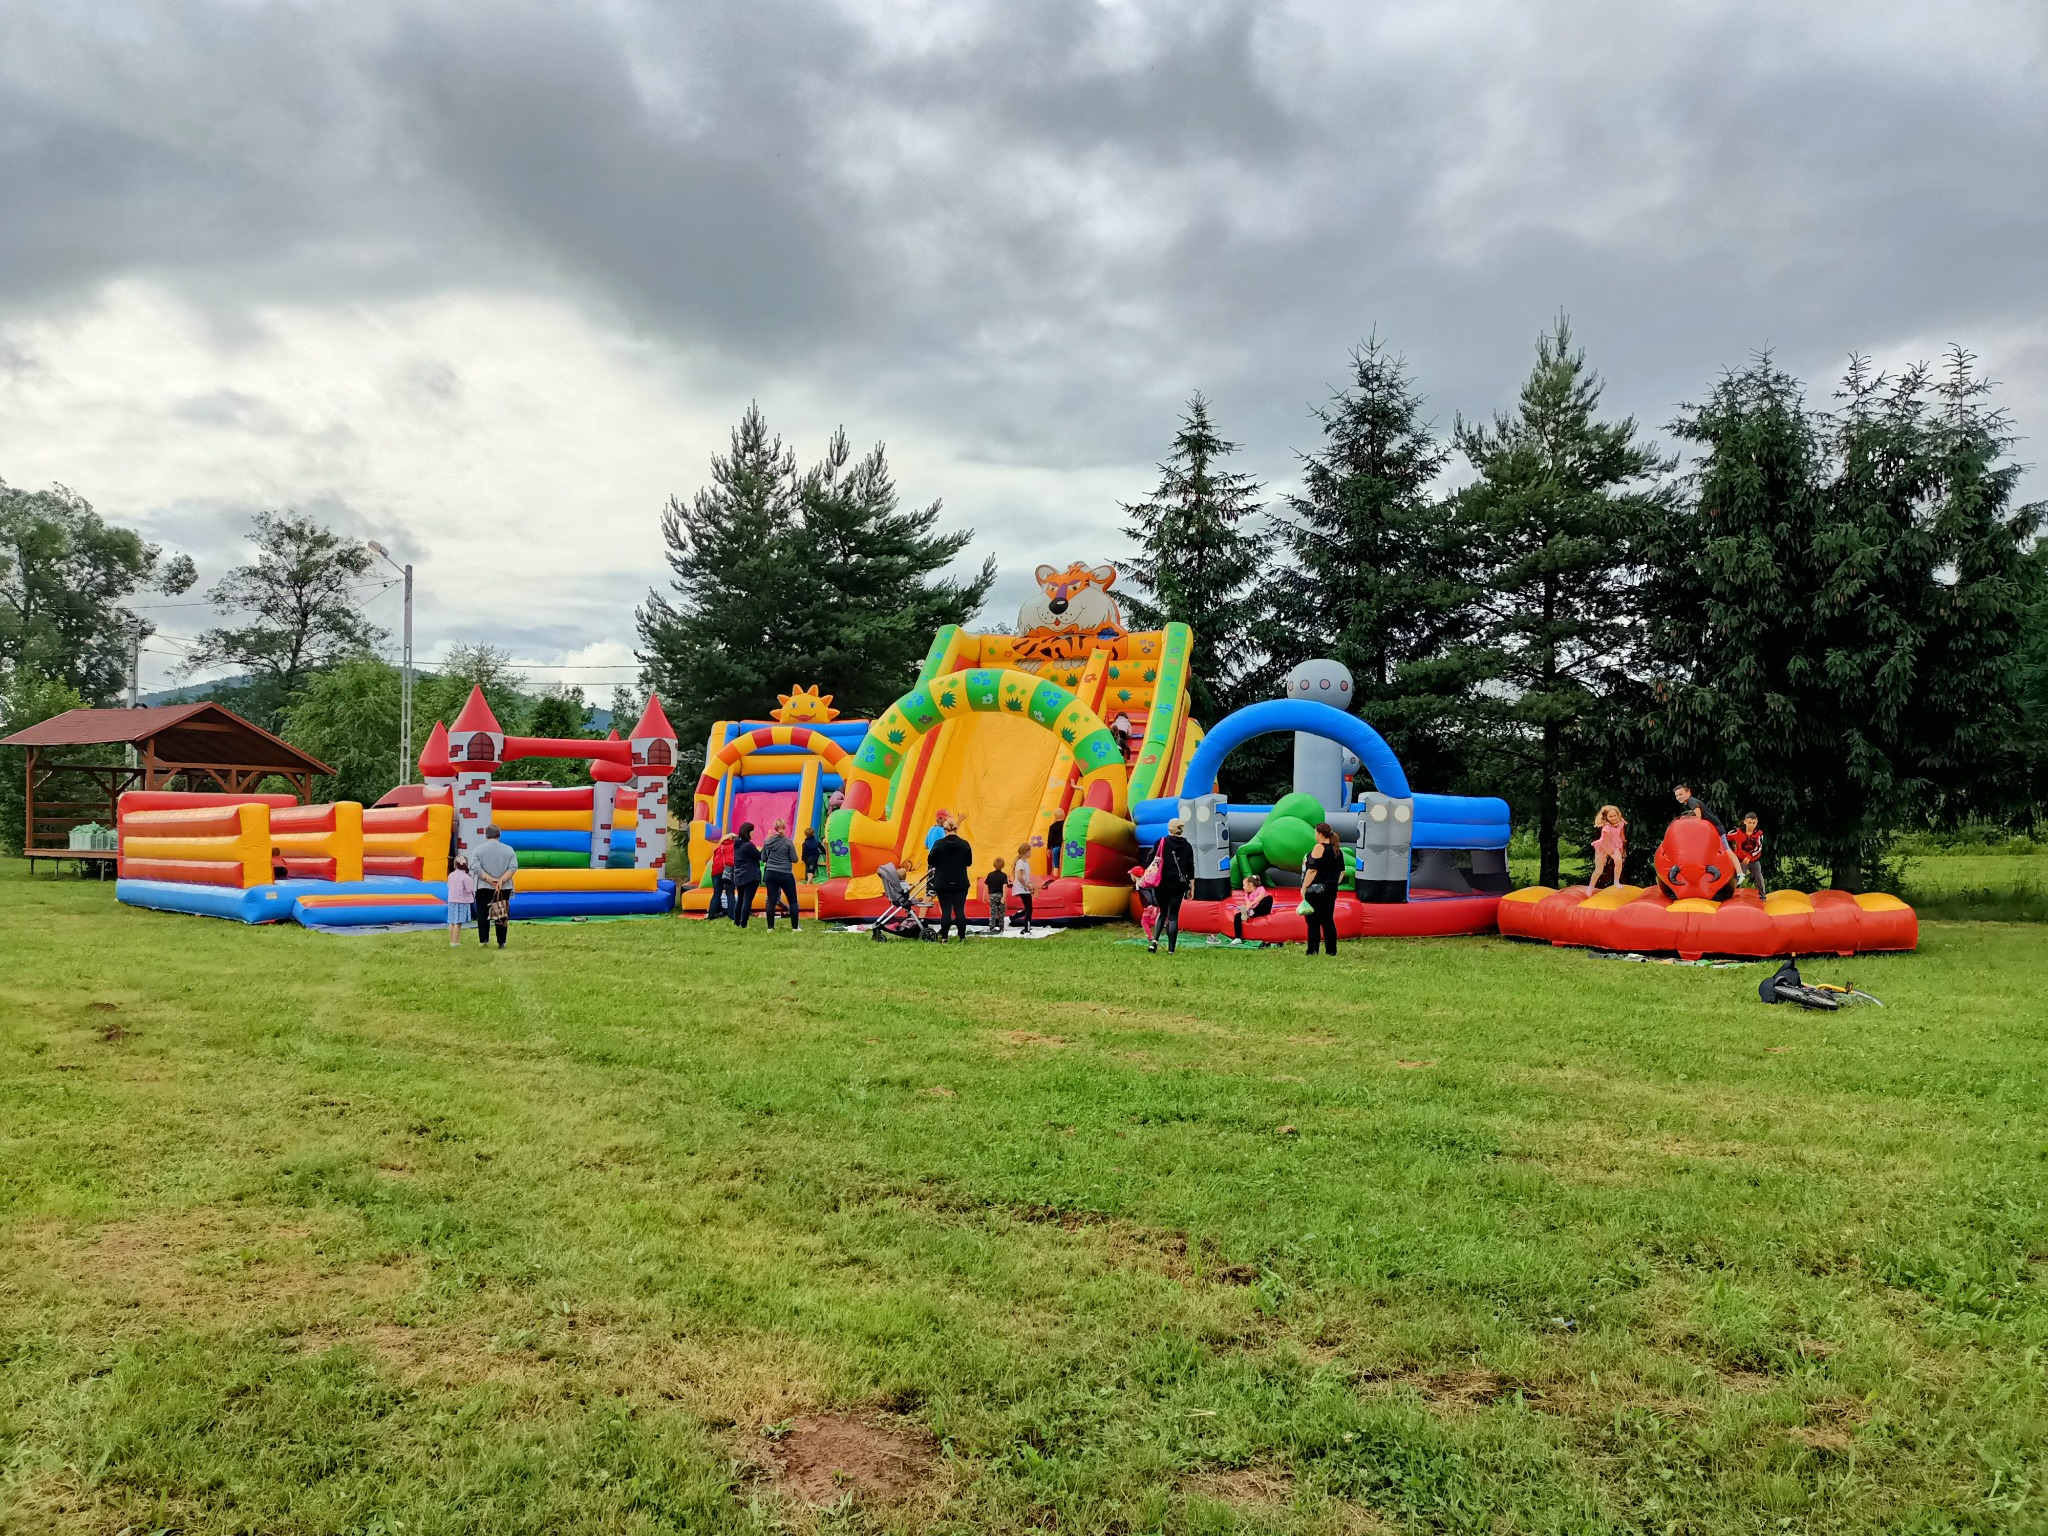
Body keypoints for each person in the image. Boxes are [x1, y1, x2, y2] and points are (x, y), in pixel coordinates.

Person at [1151, 816, 1195, 954]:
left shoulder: (1161, 842)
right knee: (1173, 916)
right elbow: (1190, 868)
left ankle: (1154, 942)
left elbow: (1150, 858)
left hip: (1161, 882)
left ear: (1169, 828)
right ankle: (1171, 949)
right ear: (1181, 830)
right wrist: (1192, 886)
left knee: (1162, 912)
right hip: (1178, 884)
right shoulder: (1187, 846)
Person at [471, 825, 518, 949]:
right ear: (499, 835)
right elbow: (513, 867)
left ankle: (484, 940)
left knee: (482, 914)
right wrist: (501, 881)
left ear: (486, 835)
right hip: (503, 887)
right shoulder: (509, 850)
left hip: (484, 886)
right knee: (500, 914)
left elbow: (475, 867)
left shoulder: (478, 850)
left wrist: (489, 878)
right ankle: (501, 942)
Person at [1301, 821, 1344, 957]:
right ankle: (1331, 950)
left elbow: (1312, 870)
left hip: (1316, 890)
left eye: (1315, 832)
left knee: (1313, 921)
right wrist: (1332, 883)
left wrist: (1304, 887)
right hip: (1330, 891)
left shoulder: (1319, 847)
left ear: (1320, 834)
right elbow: (1342, 872)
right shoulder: (1337, 850)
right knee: (1328, 921)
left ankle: (1312, 950)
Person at [928, 821, 975, 940]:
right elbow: (969, 863)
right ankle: (962, 937)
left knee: (946, 911)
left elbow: (931, 861)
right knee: (959, 910)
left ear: (945, 830)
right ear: (956, 829)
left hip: (942, 881)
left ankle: (944, 938)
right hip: (960, 881)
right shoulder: (964, 844)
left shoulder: (939, 844)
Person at [760, 818, 800, 930]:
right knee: (792, 900)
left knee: (771, 900)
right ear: (784, 828)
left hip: (771, 873)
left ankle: (770, 927)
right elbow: (794, 859)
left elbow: (763, 858)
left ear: (774, 828)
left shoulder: (767, 842)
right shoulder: (788, 842)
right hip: (785, 873)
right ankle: (795, 927)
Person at [729, 822, 761, 927]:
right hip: (750, 875)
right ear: (748, 832)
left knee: (740, 899)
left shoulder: (737, 844)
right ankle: (744, 923)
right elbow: (760, 856)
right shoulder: (748, 846)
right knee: (747, 900)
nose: (754, 833)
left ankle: (737, 921)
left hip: (739, 875)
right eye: (752, 831)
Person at [1590, 805, 1627, 890]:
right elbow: (1604, 843)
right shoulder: (1606, 828)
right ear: (1606, 817)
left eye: (1615, 816)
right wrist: (1610, 852)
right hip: (1603, 847)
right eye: (1610, 816)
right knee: (1599, 869)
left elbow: (1621, 835)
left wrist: (1622, 845)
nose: (1613, 818)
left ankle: (1616, 882)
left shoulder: (1621, 823)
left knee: (1618, 861)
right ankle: (1591, 887)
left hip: (1614, 845)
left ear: (1618, 815)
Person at [1731, 811, 1767, 893]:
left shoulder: (1759, 834)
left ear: (1757, 822)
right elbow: (1726, 838)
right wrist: (1731, 851)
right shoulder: (1737, 832)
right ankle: (1732, 894)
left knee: (1758, 878)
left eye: (1754, 823)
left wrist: (1749, 857)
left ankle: (1762, 895)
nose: (1751, 825)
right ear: (1745, 822)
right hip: (1741, 860)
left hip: (1754, 860)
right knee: (1738, 878)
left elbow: (1759, 847)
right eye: (1749, 822)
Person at [1232, 871, 1274, 941]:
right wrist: (1247, 908)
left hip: (1262, 909)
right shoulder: (1247, 894)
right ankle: (1237, 938)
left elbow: (1261, 895)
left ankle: (1249, 913)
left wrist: (1252, 903)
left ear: (1250, 884)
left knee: (1269, 898)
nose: (1243, 887)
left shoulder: (1260, 888)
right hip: (1253, 911)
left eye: (1244, 885)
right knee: (1237, 916)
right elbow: (1247, 901)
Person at [445, 854, 476, 948]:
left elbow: (448, 886)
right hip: (461, 902)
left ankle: (452, 940)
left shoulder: (451, 875)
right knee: (458, 923)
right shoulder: (466, 877)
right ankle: (456, 942)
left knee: (452, 922)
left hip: (451, 900)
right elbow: (470, 889)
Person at [1010, 841, 1038, 933]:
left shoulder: (1025, 862)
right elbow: (1019, 876)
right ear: (1025, 852)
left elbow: (1025, 877)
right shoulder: (1020, 863)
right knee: (1029, 908)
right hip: (1021, 888)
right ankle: (1027, 928)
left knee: (1028, 908)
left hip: (1024, 887)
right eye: (1030, 851)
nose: (1031, 853)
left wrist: (1029, 884)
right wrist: (1026, 886)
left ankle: (1011, 918)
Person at [707, 832, 735, 919]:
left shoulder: (718, 847)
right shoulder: (734, 846)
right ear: (731, 839)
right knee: (730, 893)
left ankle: (711, 914)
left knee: (717, 893)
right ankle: (732, 915)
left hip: (716, 871)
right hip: (728, 871)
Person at [981, 855, 1010, 933]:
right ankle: (1001, 927)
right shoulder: (1003, 875)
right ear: (1003, 865)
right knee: (1001, 912)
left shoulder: (990, 875)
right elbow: (1004, 886)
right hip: (1000, 895)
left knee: (992, 912)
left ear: (993, 865)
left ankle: (992, 927)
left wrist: (984, 895)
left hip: (992, 896)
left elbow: (986, 885)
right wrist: (1004, 897)